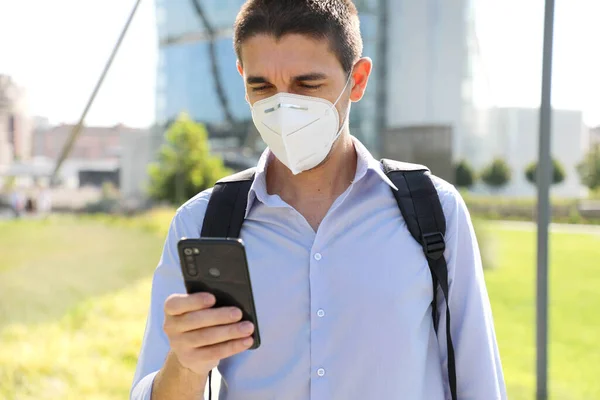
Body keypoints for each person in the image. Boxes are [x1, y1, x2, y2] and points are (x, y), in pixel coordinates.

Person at [131, 1, 506, 399]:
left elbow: (479, 381)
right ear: (242, 79)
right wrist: (186, 365)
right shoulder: (200, 224)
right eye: (262, 87)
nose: (283, 107)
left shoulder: (435, 211)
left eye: (307, 85)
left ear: (357, 80)